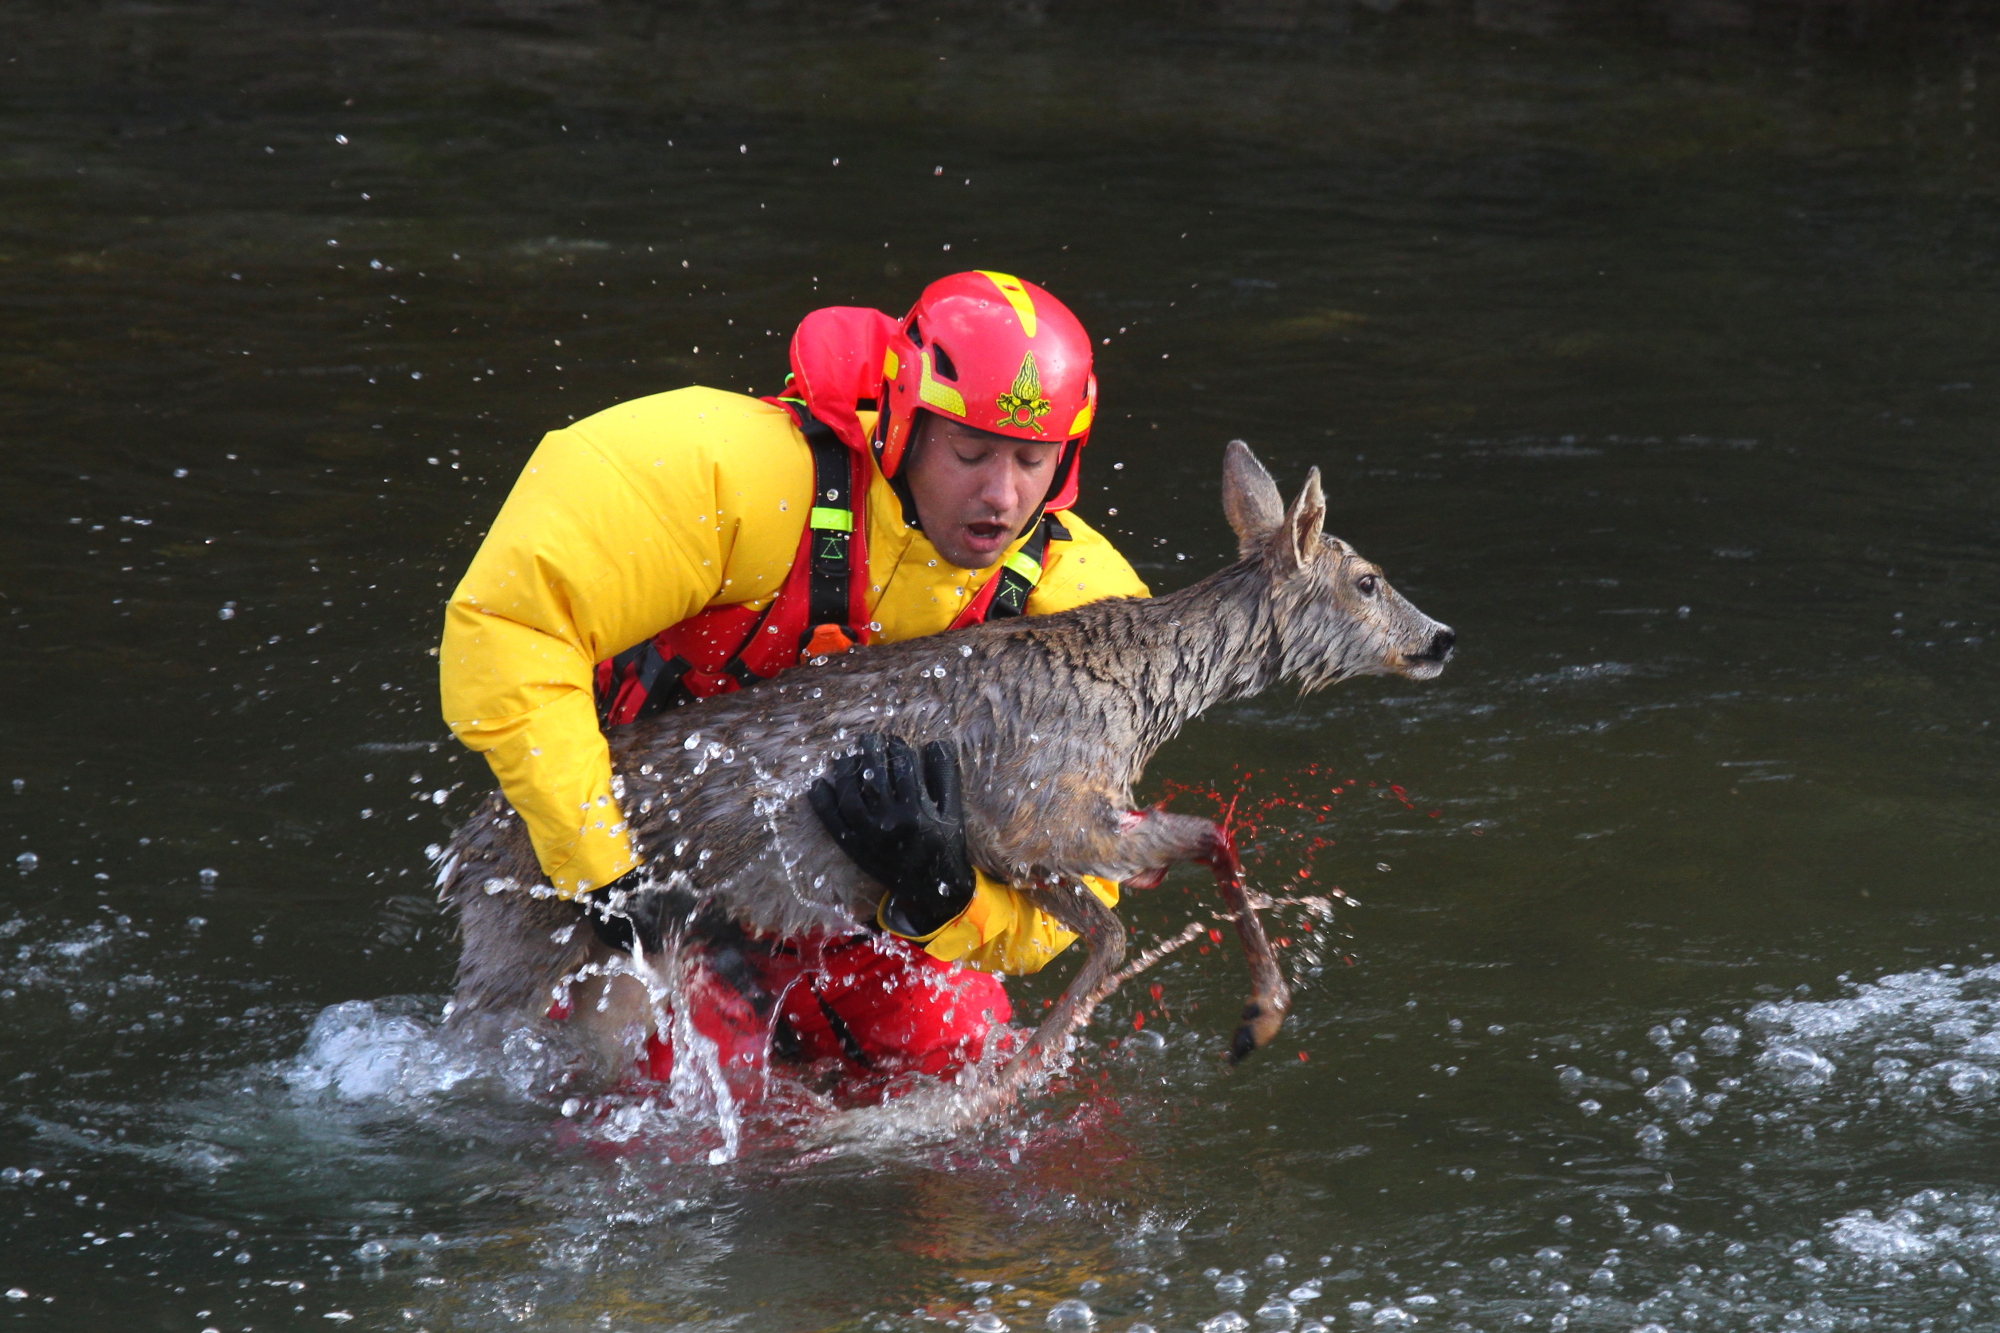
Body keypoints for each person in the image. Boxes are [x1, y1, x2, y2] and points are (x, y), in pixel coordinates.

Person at [439, 271, 1148, 1093]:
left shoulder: (1080, 604)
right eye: (969, 452)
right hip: (649, 876)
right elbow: (511, 625)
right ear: (904, 424)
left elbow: (1089, 876)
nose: (1001, 494)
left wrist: (947, 896)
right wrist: (603, 872)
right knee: (638, 1122)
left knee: (962, 1086)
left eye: (1033, 460)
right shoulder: (732, 473)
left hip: (858, 917)